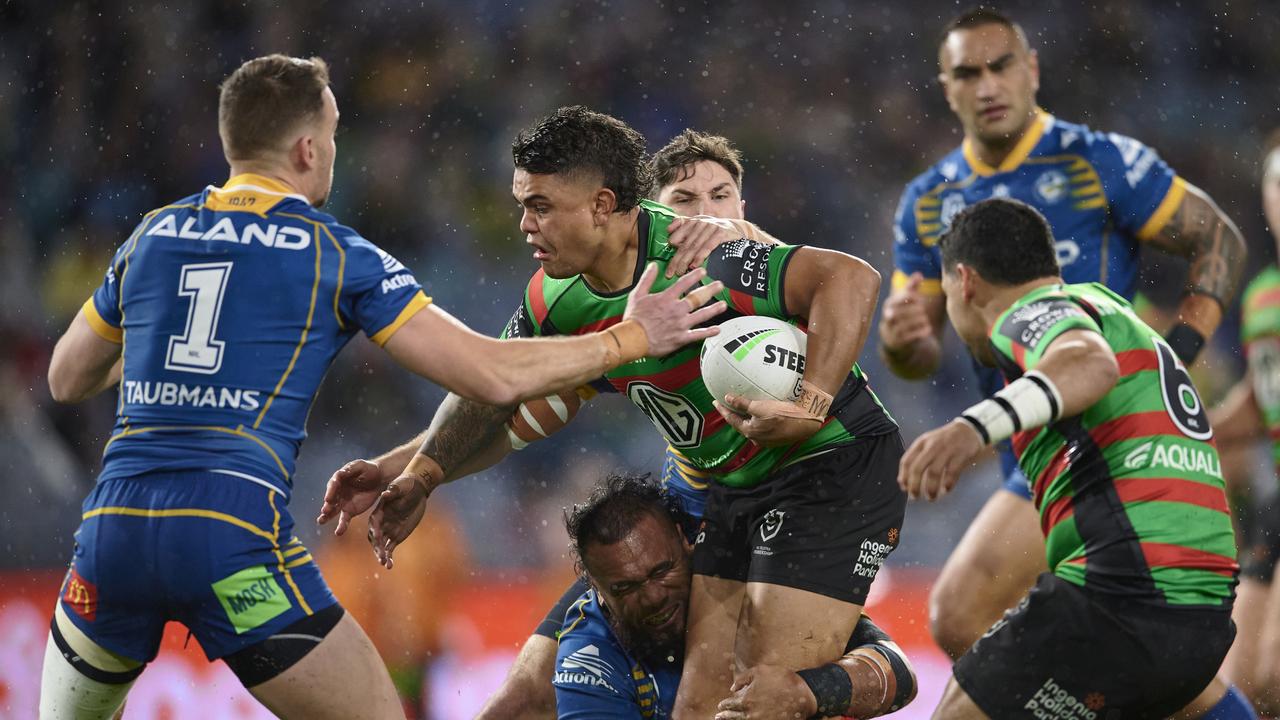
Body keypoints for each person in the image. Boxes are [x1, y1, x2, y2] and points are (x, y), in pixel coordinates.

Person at [38, 56, 724, 720]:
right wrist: (630, 337)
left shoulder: (153, 233)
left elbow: (67, 377)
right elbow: (490, 372)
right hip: (229, 540)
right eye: (334, 136)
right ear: (308, 149)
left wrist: (170, 363)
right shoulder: (336, 253)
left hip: (113, 535)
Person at [317, 107, 903, 718]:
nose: (524, 224)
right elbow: (497, 390)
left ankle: (866, 674)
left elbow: (849, 278)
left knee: (763, 701)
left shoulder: (702, 251)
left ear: (601, 205)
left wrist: (809, 405)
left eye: (541, 206)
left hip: (828, 464)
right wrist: (415, 471)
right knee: (702, 707)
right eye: (523, 204)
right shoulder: (554, 297)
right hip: (732, 488)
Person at [878, 8, 1250, 717]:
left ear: (1032, 70)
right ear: (946, 87)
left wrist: (1182, 351)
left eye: (1001, 65)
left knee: (962, 615)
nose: (987, 84)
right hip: (1047, 443)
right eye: (967, 72)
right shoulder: (927, 204)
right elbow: (919, 353)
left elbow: (1218, 240)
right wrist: (903, 340)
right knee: (1142, 643)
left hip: (1102, 440)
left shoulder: (1100, 163)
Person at [900, 197, 1239, 718]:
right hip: (1202, 617)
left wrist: (972, 427)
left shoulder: (1030, 313)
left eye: (945, 294)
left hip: (1124, 602)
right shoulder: (1111, 312)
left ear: (965, 282)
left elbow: (1086, 365)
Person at [554, 472, 915, 719]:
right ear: (596, 589)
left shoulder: (749, 587)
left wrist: (809, 692)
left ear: (687, 542)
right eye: (625, 588)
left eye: (662, 571)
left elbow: (899, 672)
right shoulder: (589, 656)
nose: (652, 598)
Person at [1213, 131, 1280, 713]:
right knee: (1248, 680)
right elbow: (1262, 403)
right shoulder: (1262, 296)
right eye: (1276, 182)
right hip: (1274, 502)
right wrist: (1188, 430)